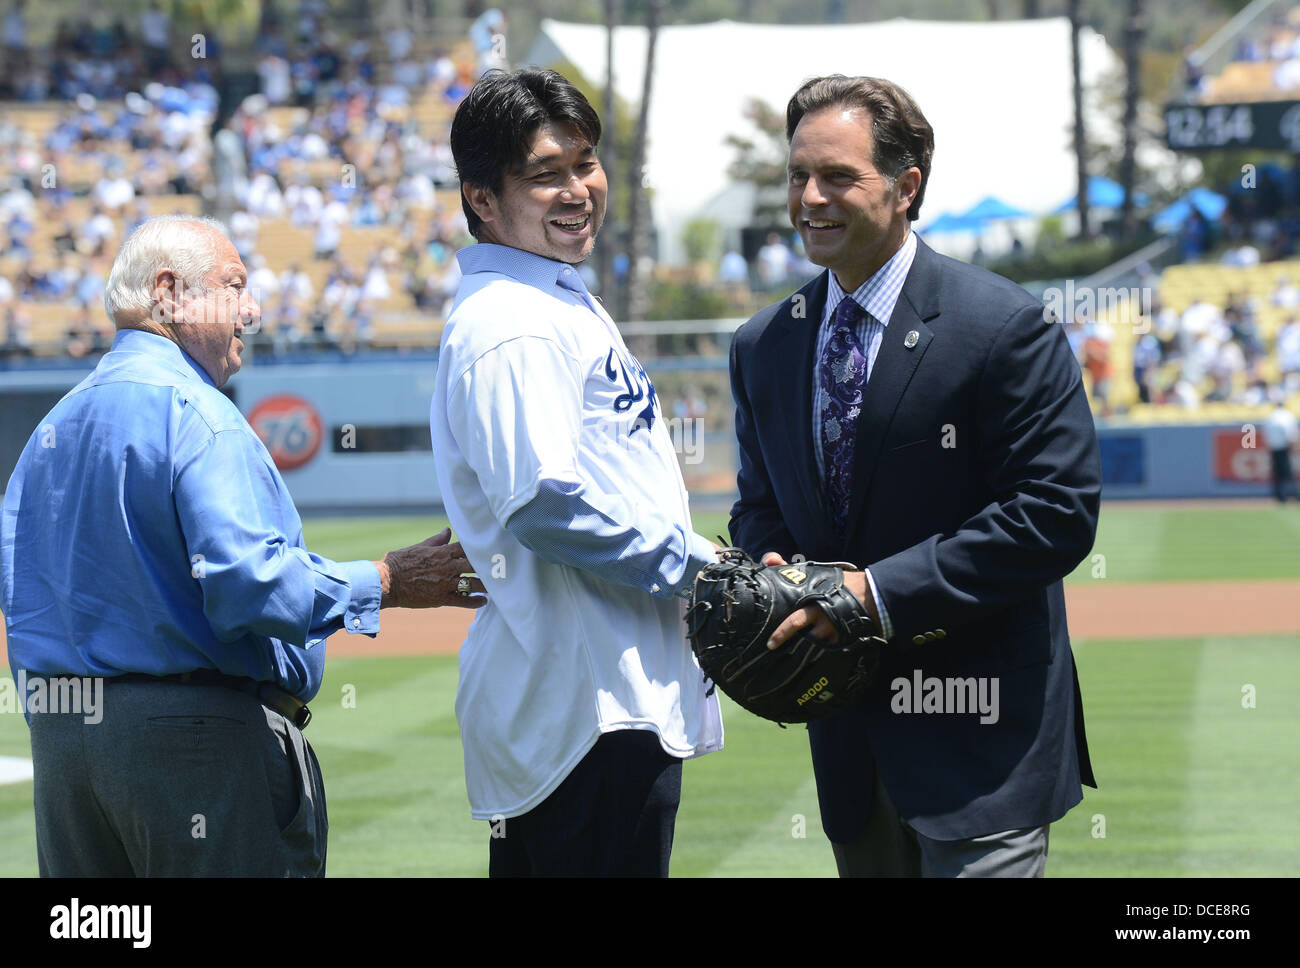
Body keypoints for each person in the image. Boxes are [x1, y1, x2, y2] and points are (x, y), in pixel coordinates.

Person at [0, 215, 486, 878]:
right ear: (168, 293)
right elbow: (250, 585)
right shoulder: (197, 413)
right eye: (234, 286)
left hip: (64, 751)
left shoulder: (51, 429)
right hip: (192, 745)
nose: (251, 310)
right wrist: (386, 580)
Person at [728, 75, 1101, 877]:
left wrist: (872, 594)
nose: (810, 198)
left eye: (837, 177)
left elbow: (1054, 513)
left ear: (906, 188)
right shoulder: (764, 344)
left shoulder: (1003, 326)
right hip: (850, 751)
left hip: (983, 749)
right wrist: (774, 574)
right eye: (798, 176)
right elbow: (761, 507)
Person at [430, 68, 723, 877]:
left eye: (585, 163)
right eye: (544, 173)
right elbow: (545, 504)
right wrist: (704, 571)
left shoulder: (554, 298)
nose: (576, 190)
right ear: (483, 199)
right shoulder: (512, 323)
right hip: (582, 715)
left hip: (605, 701)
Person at [1263, 395, 1299, 502]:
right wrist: (1293, 444)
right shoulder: (1287, 416)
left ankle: (1280, 496)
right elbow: (1290, 432)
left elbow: (1266, 434)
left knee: (1277, 473)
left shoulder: (1271, 416)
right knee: (1288, 473)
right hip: (1285, 447)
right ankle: (1294, 494)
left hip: (1274, 448)